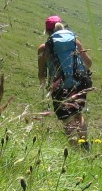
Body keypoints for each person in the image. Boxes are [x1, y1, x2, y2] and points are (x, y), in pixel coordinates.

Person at [38, 14, 93, 147]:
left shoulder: (43, 48)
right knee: (78, 114)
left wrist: (45, 85)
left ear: (47, 31)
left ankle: (74, 150)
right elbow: (89, 63)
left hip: (59, 87)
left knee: (67, 119)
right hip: (78, 83)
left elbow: (41, 73)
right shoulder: (74, 42)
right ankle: (85, 146)